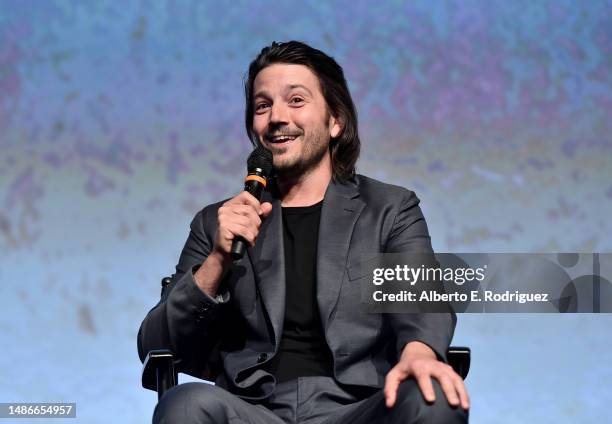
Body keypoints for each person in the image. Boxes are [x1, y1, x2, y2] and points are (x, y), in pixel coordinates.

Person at [138, 40, 469, 424]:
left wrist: (419, 353)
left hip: (359, 409)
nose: (277, 116)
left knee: (432, 397)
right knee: (186, 403)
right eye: (263, 106)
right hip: (253, 410)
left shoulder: (389, 210)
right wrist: (217, 262)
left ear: (335, 121)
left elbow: (419, 304)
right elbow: (157, 345)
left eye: (296, 100)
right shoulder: (217, 223)